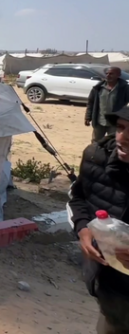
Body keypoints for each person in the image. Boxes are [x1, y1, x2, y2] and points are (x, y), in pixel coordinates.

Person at [69, 105, 129, 333]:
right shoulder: (96, 157)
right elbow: (78, 198)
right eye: (121, 127)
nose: (123, 137)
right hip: (111, 285)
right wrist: (83, 229)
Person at [86, 67, 129, 142]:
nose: (108, 75)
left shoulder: (124, 88)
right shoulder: (98, 88)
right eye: (107, 74)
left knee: (114, 142)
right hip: (99, 121)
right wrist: (88, 117)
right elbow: (91, 102)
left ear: (118, 75)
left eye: (111, 74)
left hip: (115, 122)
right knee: (96, 141)